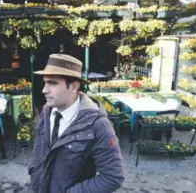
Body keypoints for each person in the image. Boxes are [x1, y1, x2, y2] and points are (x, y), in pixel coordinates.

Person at [28, 54, 125, 193]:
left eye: (52, 83)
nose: (44, 90)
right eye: (45, 82)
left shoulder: (98, 125)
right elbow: (40, 146)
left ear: (73, 87)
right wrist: (34, 169)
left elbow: (112, 177)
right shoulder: (47, 110)